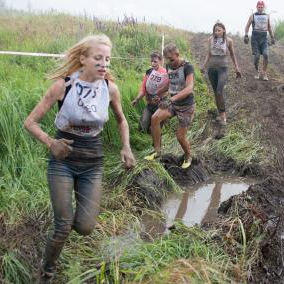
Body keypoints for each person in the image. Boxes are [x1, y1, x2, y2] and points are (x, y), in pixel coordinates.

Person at [23, 35, 136, 283]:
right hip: (62, 161)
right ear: (83, 59)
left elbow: (121, 120)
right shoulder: (63, 87)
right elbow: (30, 122)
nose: (103, 63)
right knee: (63, 225)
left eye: (107, 59)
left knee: (85, 227)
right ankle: (46, 271)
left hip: (92, 164)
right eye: (98, 58)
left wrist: (126, 146)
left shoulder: (110, 88)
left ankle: (61, 231)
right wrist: (51, 143)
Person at [144, 44, 195, 169]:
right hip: (173, 103)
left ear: (178, 55)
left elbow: (189, 88)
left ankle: (188, 156)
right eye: (166, 59)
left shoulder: (188, 67)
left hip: (186, 106)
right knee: (155, 118)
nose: (169, 62)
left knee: (180, 137)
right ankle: (157, 151)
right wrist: (158, 93)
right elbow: (170, 85)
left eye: (171, 59)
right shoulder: (168, 66)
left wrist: (170, 99)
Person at [202, 21, 241, 126]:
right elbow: (208, 54)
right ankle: (220, 114)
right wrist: (204, 66)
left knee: (219, 91)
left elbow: (232, 55)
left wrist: (237, 68)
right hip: (212, 69)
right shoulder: (210, 40)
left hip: (223, 68)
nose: (217, 32)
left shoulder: (229, 41)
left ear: (223, 30)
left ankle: (223, 115)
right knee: (216, 92)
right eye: (215, 30)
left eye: (219, 30)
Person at [131, 52, 169, 132]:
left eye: (155, 61)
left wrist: (160, 96)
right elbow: (143, 89)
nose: (153, 63)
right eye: (151, 61)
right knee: (142, 126)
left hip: (160, 104)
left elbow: (170, 89)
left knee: (155, 128)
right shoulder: (149, 72)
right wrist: (136, 99)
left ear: (161, 61)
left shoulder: (166, 74)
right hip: (150, 104)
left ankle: (156, 139)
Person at [244, 0, 275, 81]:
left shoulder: (267, 16)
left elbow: (269, 27)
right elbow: (247, 26)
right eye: (259, 6)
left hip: (264, 38)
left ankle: (264, 72)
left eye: (261, 7)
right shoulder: (253, 16)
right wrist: (246, 35)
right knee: (257, 56)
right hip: (255, 38)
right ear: (257, 7)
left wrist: (272, 37)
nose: (260, 8)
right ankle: (257, 71)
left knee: (266, 54)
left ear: (263, 7)